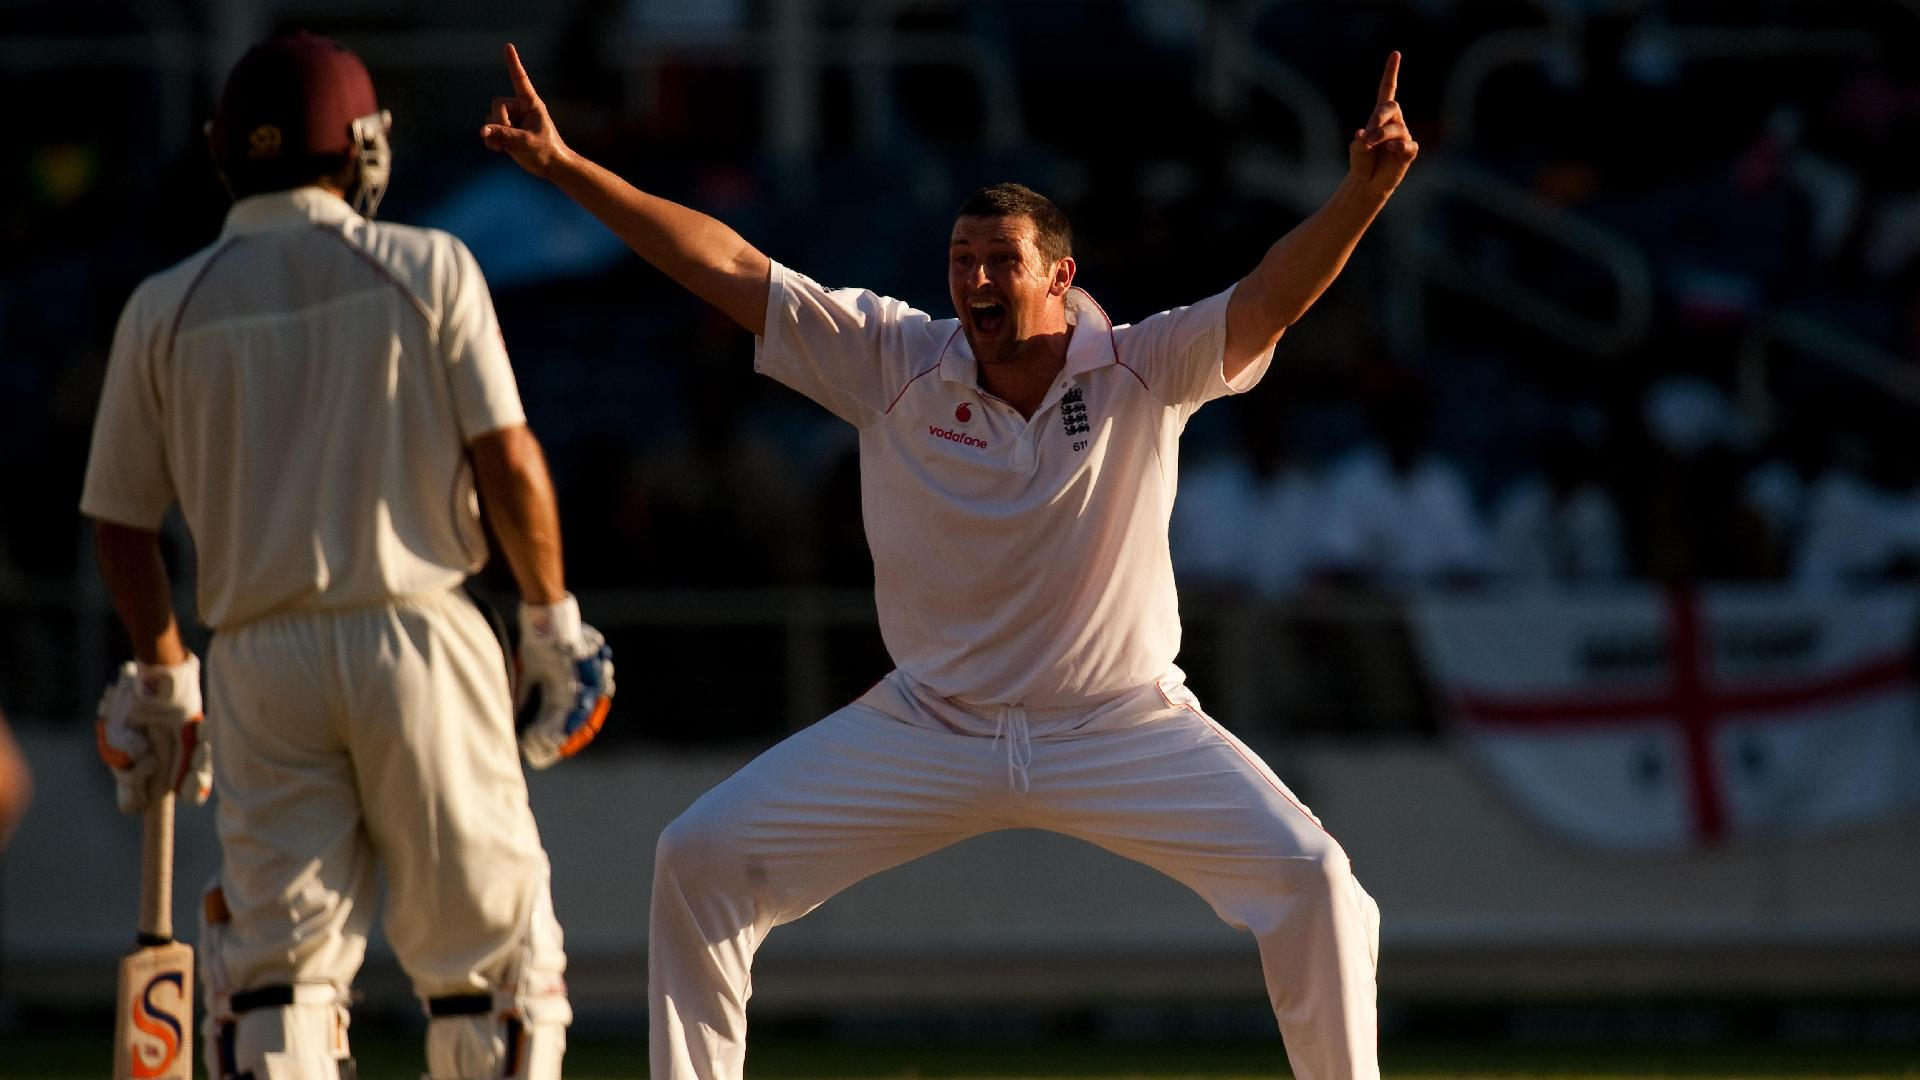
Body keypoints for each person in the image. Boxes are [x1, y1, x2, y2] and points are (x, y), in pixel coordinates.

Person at [484, 41, 1416, 1080]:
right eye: (961, 260)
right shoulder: (894, 358)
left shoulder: (1144, 367)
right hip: (930, 723)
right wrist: (569, 168)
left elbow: (1270, 297)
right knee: (699, 860)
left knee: (1319, 881)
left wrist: (1362, 193)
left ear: (1060, 278)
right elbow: (731, 266)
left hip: (1121, 722)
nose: (974, 280)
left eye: (1000, 262)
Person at [82, 32, 614, 1080]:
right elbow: (509, 462)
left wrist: (163, 675)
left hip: (257, 660)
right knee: (490, 971)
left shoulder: (165, 304)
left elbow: (120, 520)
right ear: (364, 147)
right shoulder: (426, 265)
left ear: (222, 150)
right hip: (416, 633)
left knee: (281, 975)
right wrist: (551, 625)